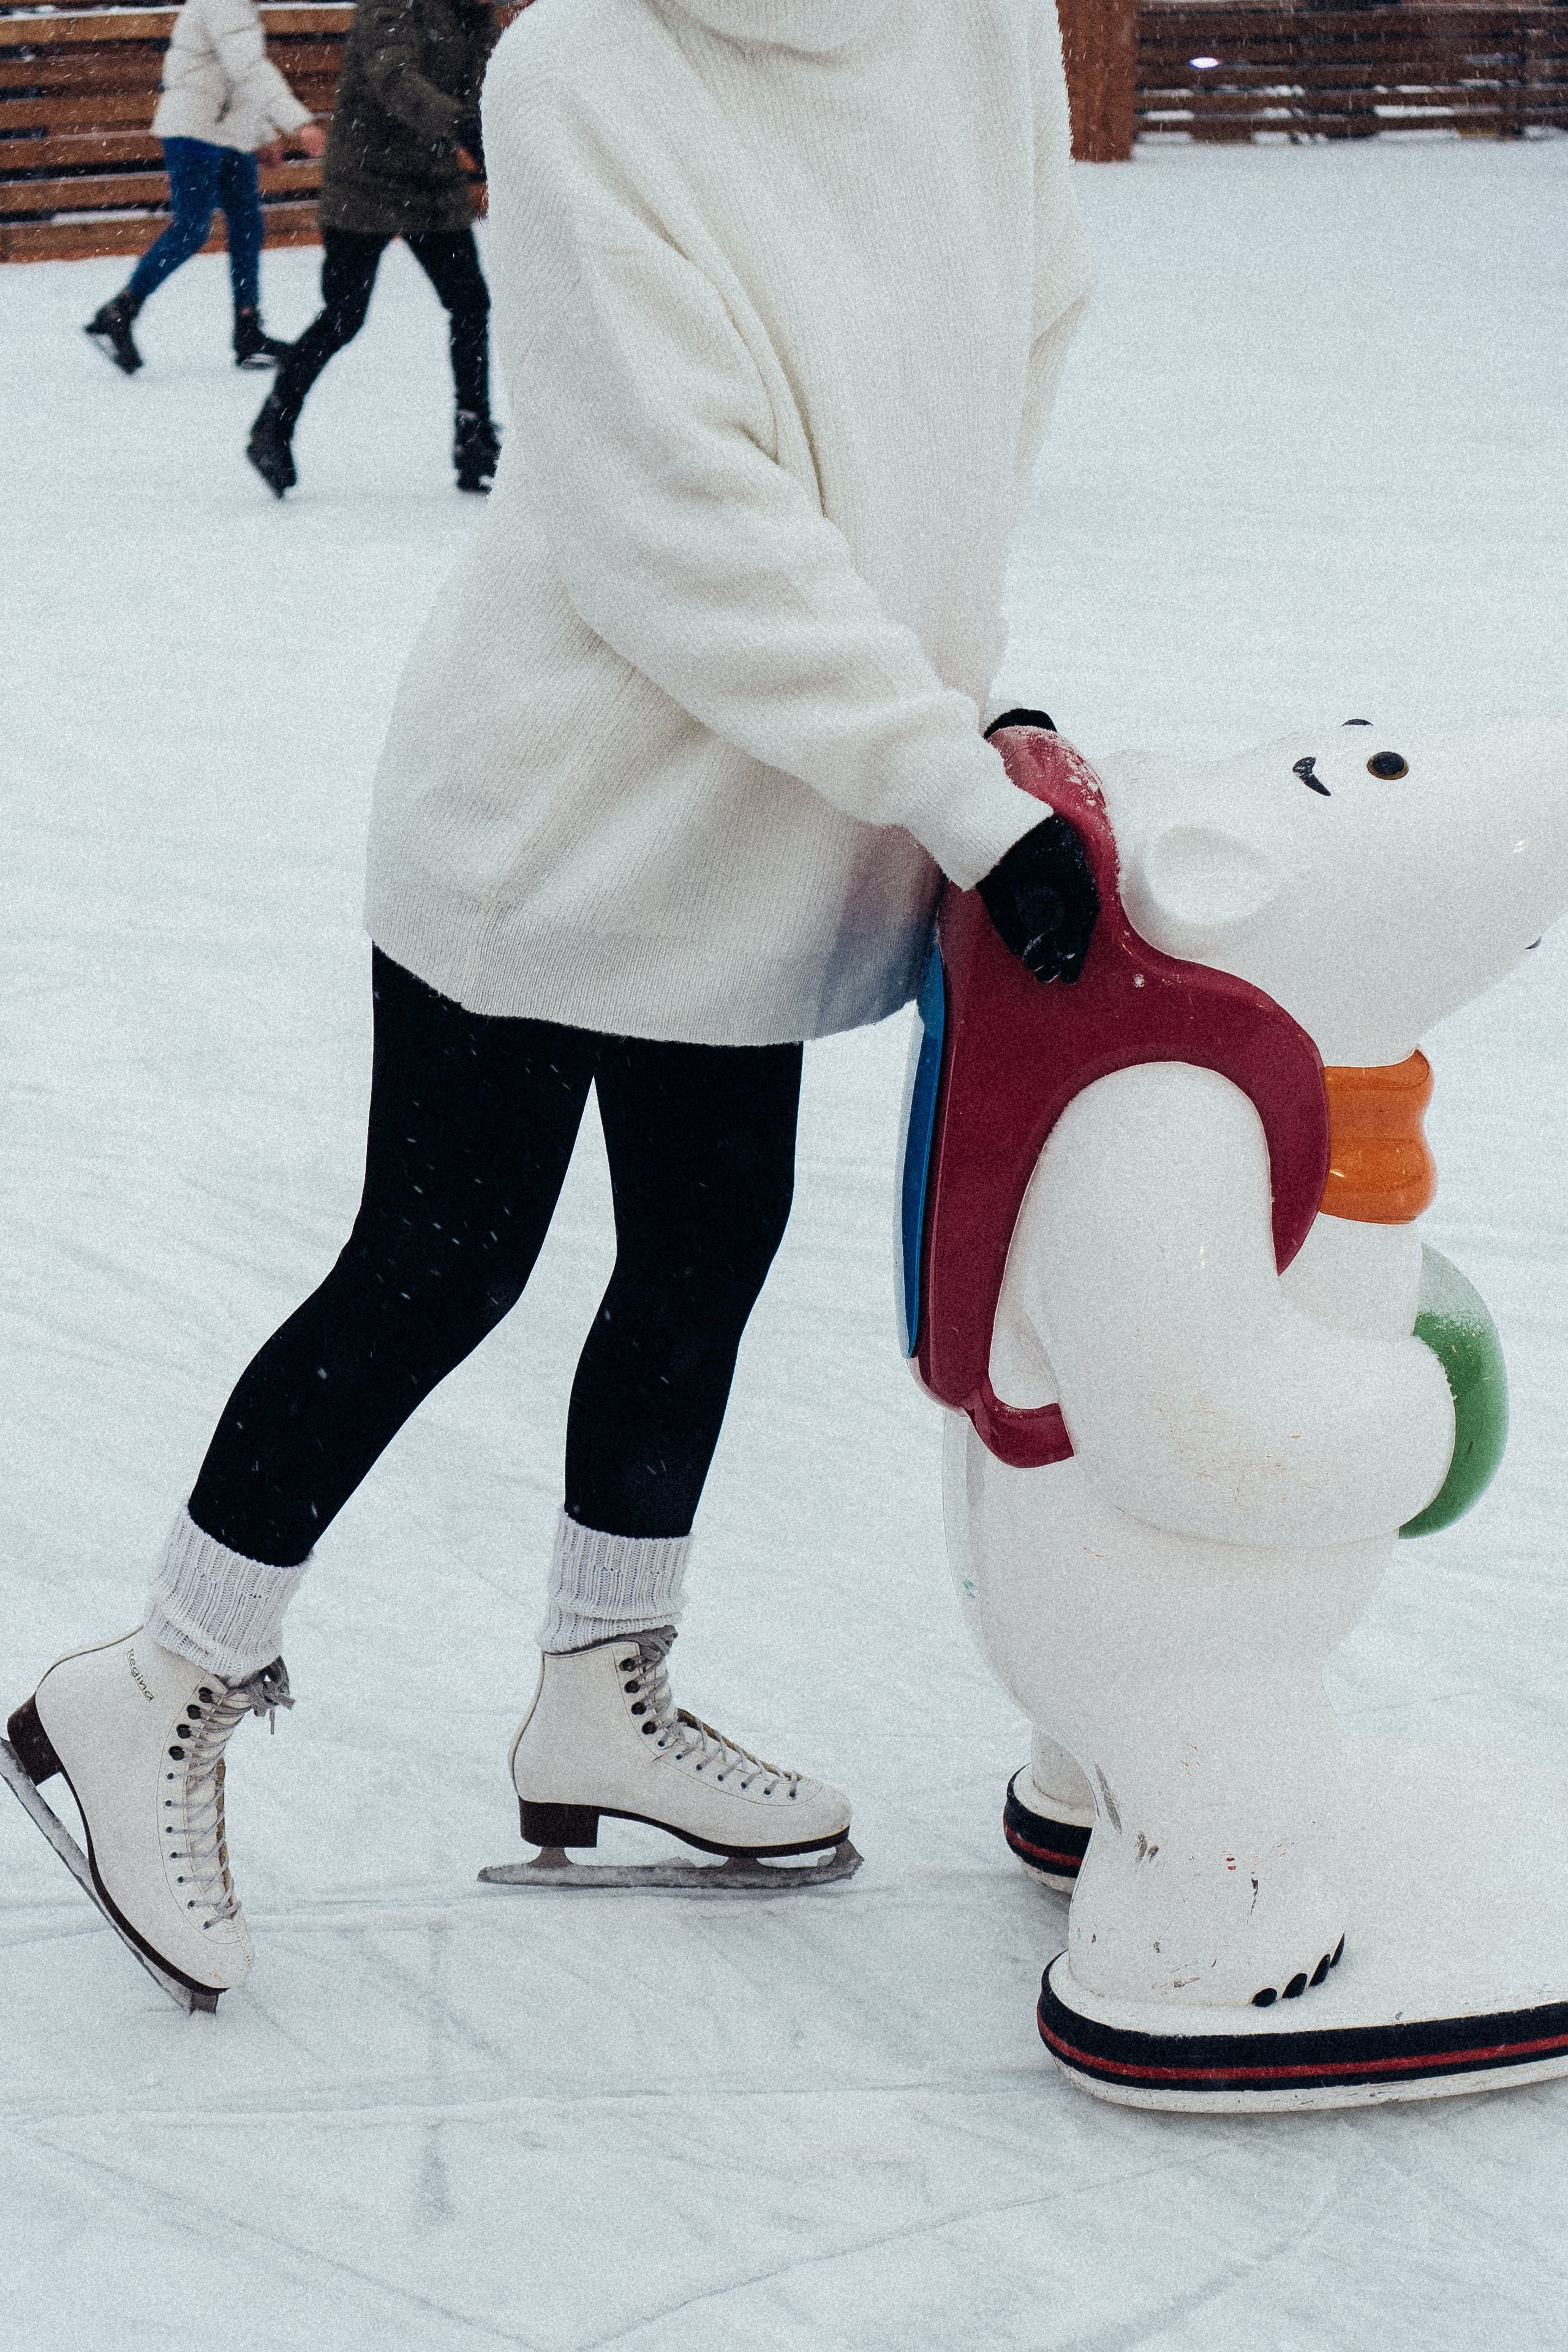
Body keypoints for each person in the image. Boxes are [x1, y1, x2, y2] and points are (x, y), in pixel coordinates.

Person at [11, 0, 1098, 2003]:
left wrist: (972, 690)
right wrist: (945, 773)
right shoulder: (590, 66)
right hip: (559, 809)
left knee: (709, 1240)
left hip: (788, 805)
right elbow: (665, 509)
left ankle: (604, 1686)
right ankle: (155, 1677)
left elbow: (998, 359)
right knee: (444, 1255)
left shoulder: (982, 28)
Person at [246, 0, 501, 499]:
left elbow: (483, 89)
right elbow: (393, 78)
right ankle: (272, 427)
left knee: (470, 304)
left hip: (432, 181)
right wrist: (463, 126)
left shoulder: (478, 16)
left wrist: (493, 133)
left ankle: (475, 440)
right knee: (344, 314)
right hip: (364, 180)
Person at [85, 0, 327, 375]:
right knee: (192, 228)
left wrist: (262, 133)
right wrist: (299, 123)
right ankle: (119, 312)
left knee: (248, 225)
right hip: (194, 128)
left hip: (228, 130)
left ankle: (248, 332)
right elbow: (248, 69)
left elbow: (234, 72)